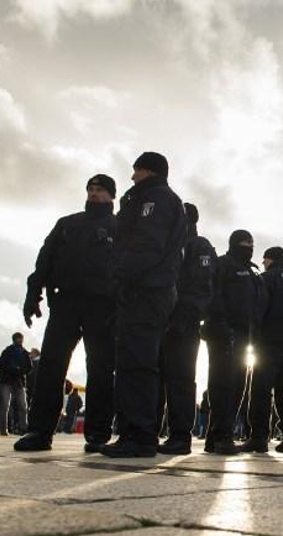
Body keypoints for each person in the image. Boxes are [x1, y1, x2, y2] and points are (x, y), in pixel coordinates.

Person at [14, 174, 119, 452]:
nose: (94, 194)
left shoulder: (120, 227)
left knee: (100, 368)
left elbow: (127, 270)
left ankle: (97, 433)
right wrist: (32, 294)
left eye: (100, 190)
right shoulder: (68, 224)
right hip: (66, 302)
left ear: (111, 196)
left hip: (102, 306)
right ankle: (39, 431)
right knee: (51, 366)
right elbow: (45, 259)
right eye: (91, 189)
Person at [103, 152, 187, 458]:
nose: (132, 177)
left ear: (147, 170)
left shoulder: (157, 200)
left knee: (138, 363)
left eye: (135, 170)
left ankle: (139, 436)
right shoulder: (150, 198)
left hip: (147, 289)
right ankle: (132, 432)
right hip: (146, 289)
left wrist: (118, 275)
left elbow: (147, 245)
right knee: (131, 362)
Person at [156, 203, 215, 455]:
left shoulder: (198, 245)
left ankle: (180, 435)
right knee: (154, 377)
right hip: (160, 320)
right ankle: (148, 431)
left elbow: (204, 285)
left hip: (183, 322)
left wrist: (189, 313)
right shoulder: (167, 243)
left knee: (180, 379)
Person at [201, 230, 267, 455]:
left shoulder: (252, 272)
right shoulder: (223, 264)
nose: (249, 246)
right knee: (222, 385)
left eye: (251, 242)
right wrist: (220, 325)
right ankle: (222, 436)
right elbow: (214, 294)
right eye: (244, 242)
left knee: (238, 386)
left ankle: (217, 436)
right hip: (223, 333)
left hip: (244, 337)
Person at [241, 247, 283, 454]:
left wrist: (252, 339)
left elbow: (257, 309)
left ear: (269, 259)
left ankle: (259, 437)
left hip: (270, 343)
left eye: (264, 261)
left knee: (261, 390)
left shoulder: (267, 278)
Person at [0, 333, 33, 436]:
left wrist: (21, 370)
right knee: (6, 405)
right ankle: (4, 428)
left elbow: (29, 367)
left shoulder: (24, 353)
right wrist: (12, 369)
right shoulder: (8, 351)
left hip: (19, 381)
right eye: (18, 339)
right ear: (14, 339)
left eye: (21, 339)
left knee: (23, 406)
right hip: (8, 380)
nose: (20, 341)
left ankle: (23, 428)